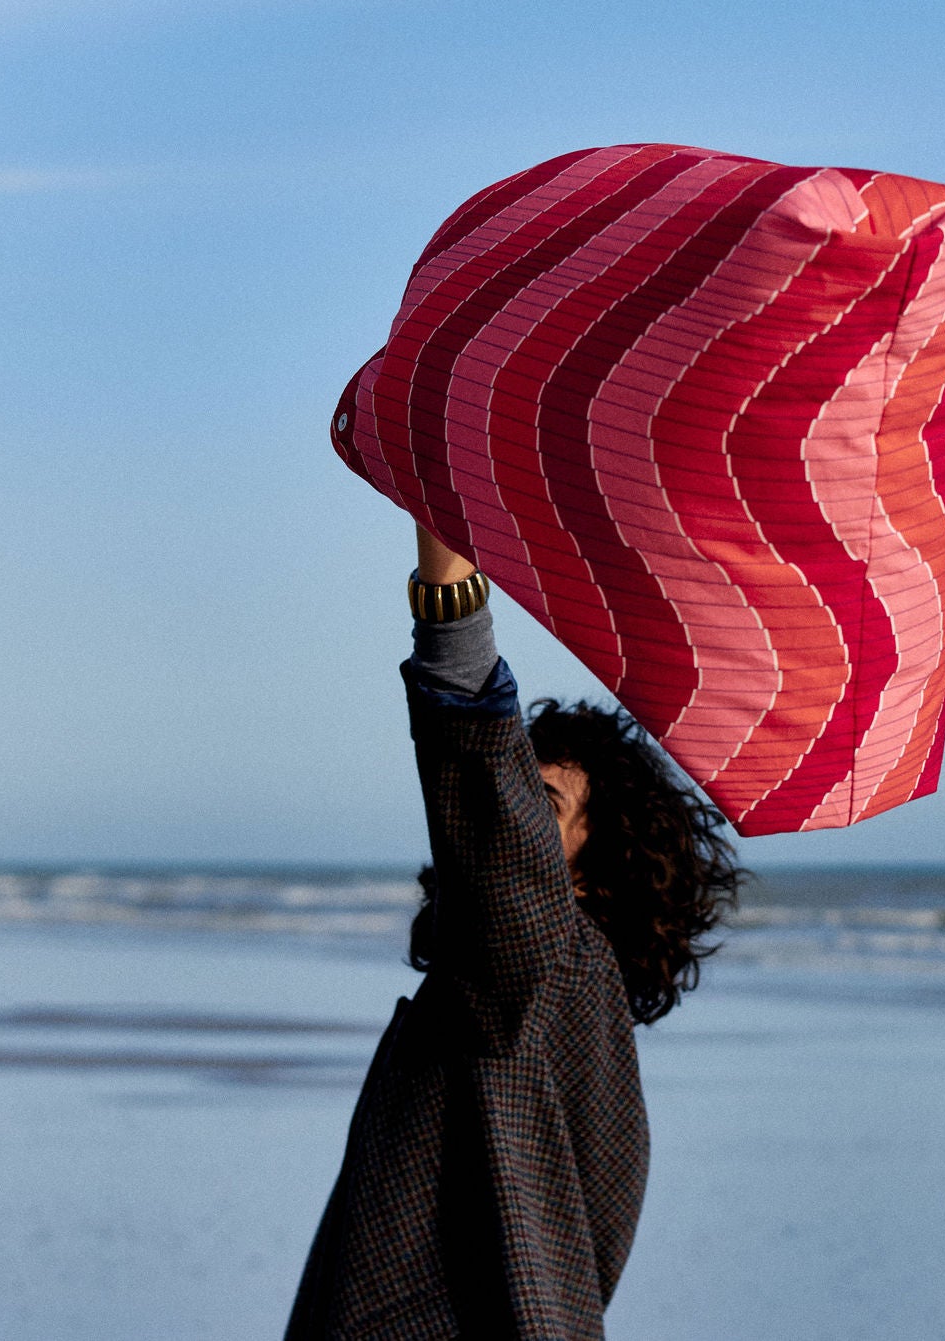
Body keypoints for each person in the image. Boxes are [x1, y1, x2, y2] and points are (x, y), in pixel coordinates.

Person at [284, 528, 744, 1341]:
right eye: (519, 802)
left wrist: (444, 555)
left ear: (598, 875)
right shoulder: (582, 1033)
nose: (516, 819)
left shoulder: (543, 958)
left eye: (546, 808)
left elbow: (475, 752)